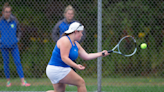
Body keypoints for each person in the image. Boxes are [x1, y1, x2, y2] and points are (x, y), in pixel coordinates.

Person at [46, 22, 110, 92]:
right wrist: (76, 66)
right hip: (57, 69)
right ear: (76, 32)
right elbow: (64, 57)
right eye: (81, 32)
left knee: (59, 91)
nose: (82, 35)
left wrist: (101, 54)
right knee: (80, 82)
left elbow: (86, 56)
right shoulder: (65, 40)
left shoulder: (76, 44)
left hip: (58, 69)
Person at [0, 2, 31, 87]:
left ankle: (23, 81)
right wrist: (1, 40)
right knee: (6, 63)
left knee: (17, 62)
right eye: (6, 12)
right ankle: (8, 81)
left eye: (9, 11)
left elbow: (19, 31)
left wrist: (17, 39)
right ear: (3, 12)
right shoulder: (1, 21)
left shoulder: (14, 20)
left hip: (14, 46)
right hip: (4, 46)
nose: (8, 13)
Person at [52, 5, 86, 72]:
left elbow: (83, 34)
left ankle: (72, 80)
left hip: (72, 49)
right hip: (64, 49)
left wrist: (76, 43)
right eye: (68, 14)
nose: (70, 15)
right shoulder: (60, 24)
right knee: (62, 65)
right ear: (65, 14)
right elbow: (54, 33)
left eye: (72, 14)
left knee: (72, 68)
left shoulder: (77, 24)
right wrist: (59, 42)